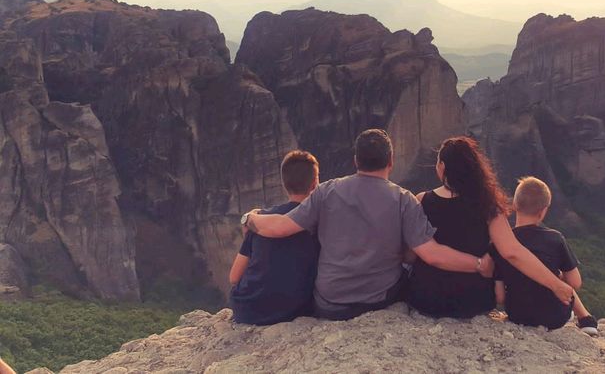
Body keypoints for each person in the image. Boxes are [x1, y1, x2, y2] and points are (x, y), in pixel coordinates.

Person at [243, 130, 559, 321]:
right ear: (391, 162)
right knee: (407, 264)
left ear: (356, 161)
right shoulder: (404, 199)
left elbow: (279, 228)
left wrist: (251, 217)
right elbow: (432, 253)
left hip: (331, 304)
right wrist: (479, 264)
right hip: (381, 299)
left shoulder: (326, 191)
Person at [406, 137, 575, 319]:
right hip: (473, 302)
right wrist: (555, 284)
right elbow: (512, 251)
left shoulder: (422, 200)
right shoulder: (488, 205)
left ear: (442, 166)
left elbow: (411, 254)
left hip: (427, 299)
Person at [492, 176, 599, 335]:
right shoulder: (555, 238)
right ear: (543, 211)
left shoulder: (501, 243)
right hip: (555, 317)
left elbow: (500, 297)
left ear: (514, 205)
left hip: (517, 315)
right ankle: (585, 318)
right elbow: (575, 282)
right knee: (559, 275)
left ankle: (585, 318)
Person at [229, 150, 321, 325]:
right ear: (315, 184)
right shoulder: (319, 222)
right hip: (295, 310)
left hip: (247, 310)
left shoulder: (260, 222)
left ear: (284, 183)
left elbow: (234, 277)